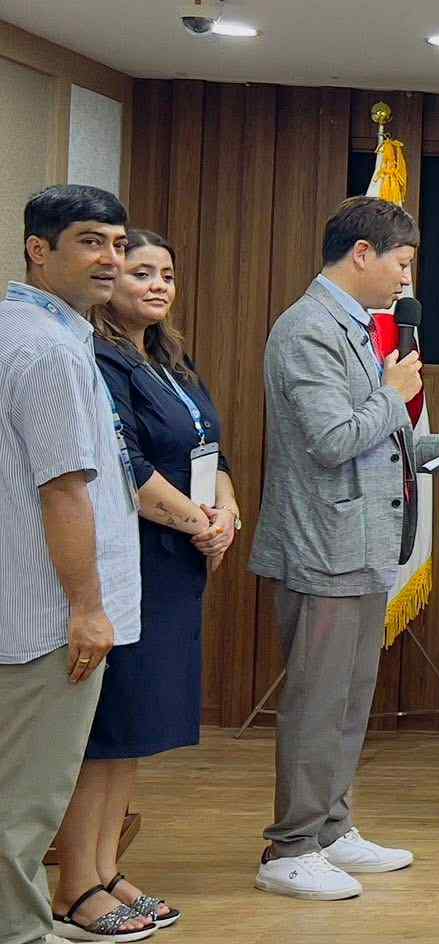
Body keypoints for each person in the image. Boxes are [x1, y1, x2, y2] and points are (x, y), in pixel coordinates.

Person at [248, 196, 439, 900]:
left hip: (364, 544)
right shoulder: (306, 329)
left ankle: (330, 829)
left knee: (350, 699)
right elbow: (332, 441)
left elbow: (376, 440)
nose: (406, 280)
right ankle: (289, 848)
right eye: (402, 262)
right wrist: (394, 392)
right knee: (317, 702)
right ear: (362, 254)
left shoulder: (355, 326)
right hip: (323, 546)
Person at [49, 231, 242, 935]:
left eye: (166, 273)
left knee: (133, 730)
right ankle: (74, 887)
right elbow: (126, 467)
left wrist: (227, 514)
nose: (158, 285)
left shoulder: (170, 360)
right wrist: (199, 522)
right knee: (107, 728)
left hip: (176, 560)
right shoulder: (99, 361)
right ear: (109, 282)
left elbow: (212, 452)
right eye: (141, 273)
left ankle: (106, 871)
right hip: (128, 561)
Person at [1, 186, 143, 944]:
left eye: (118, 244)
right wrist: (88, 608)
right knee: (25, 804)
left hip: (30, 605)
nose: (111, 259)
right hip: (47, 617)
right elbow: (63, 489)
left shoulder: (37, 331)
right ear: (38, 250)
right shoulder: (48, 348)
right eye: (91, 242)